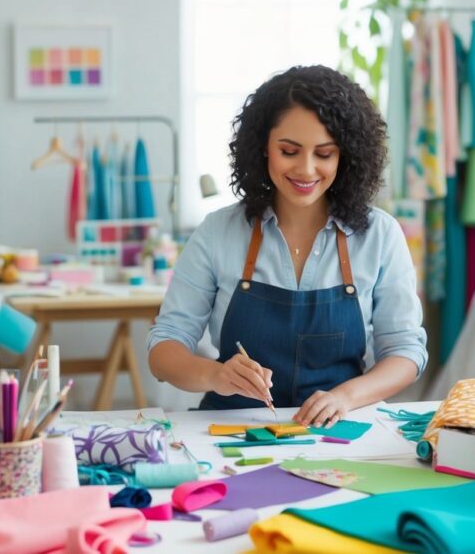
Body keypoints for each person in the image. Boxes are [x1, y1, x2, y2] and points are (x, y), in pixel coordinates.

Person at [147, 65, 426, 428]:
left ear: (347, 157)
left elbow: (405, 352)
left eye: (324, 154)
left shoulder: (380, 235)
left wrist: (346, 396)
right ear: (263, 148)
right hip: (232, 430)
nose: (306, 169)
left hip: (338, 431)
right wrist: (215, 375)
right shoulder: (218, 232)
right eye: (289, 151)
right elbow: (164, 349)